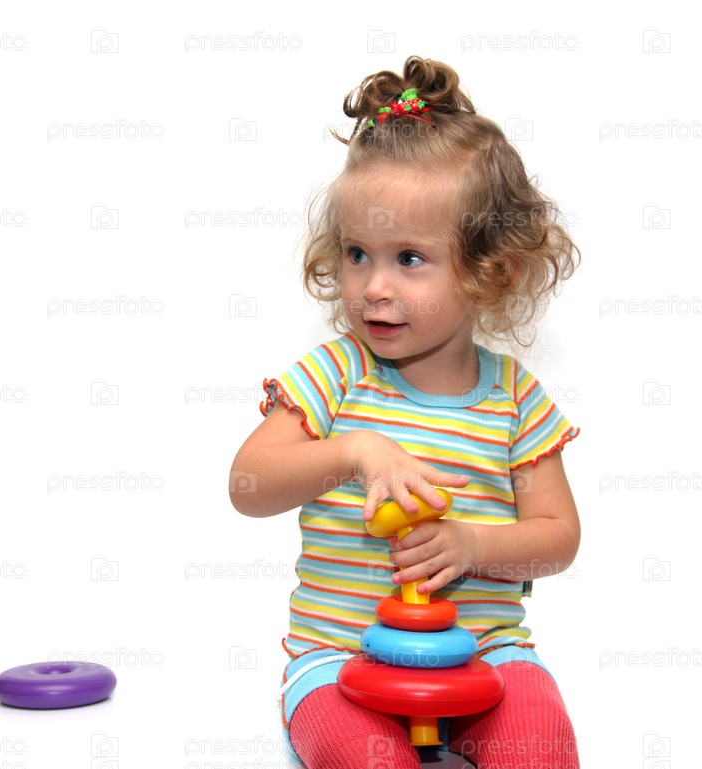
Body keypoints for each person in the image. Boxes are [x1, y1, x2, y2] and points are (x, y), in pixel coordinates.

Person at [230, 55, 581, 769]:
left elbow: (558, 538)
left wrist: (474, 547)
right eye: (357, 253)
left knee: (539, 742)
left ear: (492, 270)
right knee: (368, 757)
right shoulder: (335, 375)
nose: (373, 287)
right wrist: (352, 450)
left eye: (409, 259)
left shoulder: (515, 399)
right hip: (341, 664)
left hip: (483, 658)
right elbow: (248, 485)